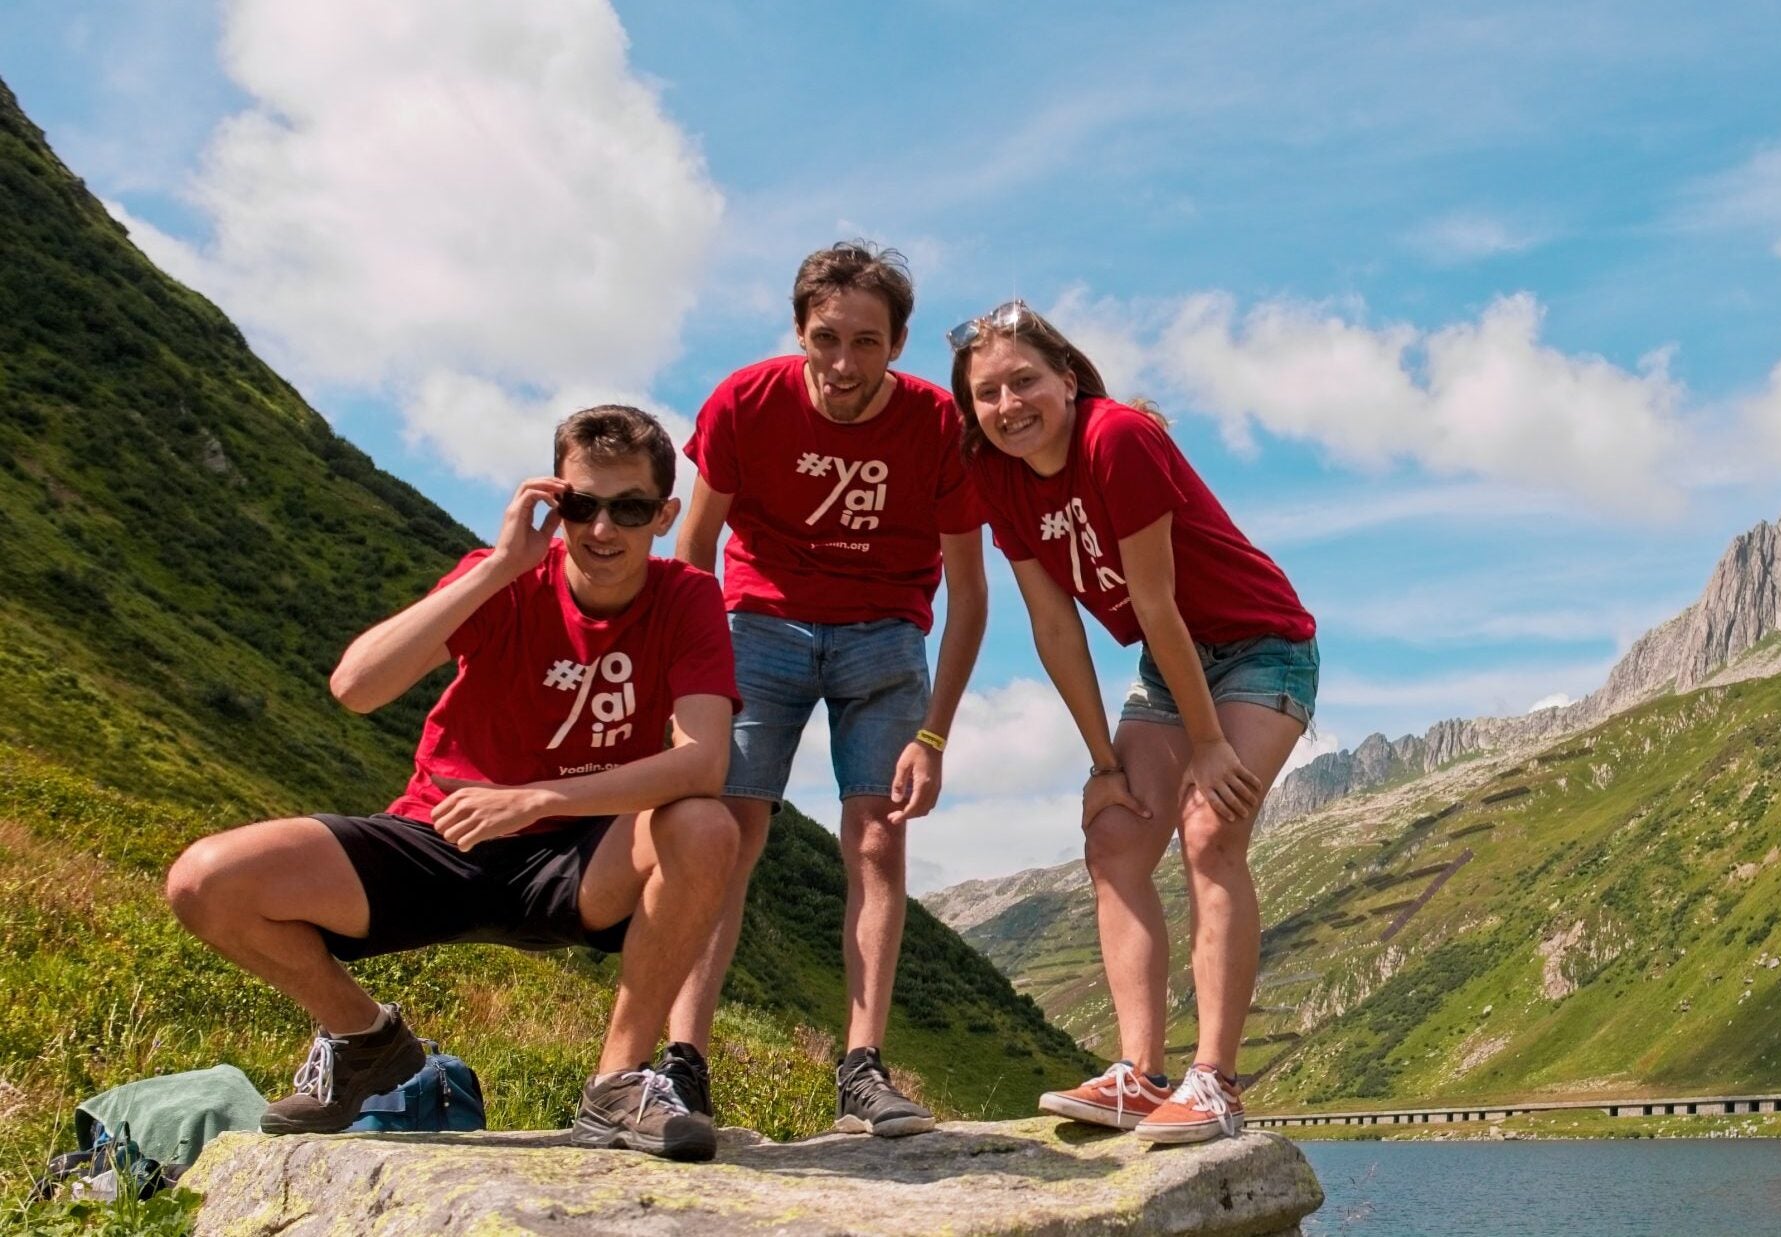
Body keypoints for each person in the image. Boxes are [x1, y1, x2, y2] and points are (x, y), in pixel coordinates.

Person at [163, 405, 739, 1162]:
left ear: (665, 514)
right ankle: (365, 1039)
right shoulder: (500, 578)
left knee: (705, 824)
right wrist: (502, 564)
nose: (603, 529)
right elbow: (357, 685)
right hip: (442, 834)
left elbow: (704, 764)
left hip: (577, 858)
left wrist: (539, 798)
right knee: (205, 879)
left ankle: (617, 1083)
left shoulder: (686, 596)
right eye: (580, 504)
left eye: (629, 508)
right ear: (551, 501)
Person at [949, 301, 1318, 1144]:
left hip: (1262, 646)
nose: (1009, 405)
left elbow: (1153, 599)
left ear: (1067, 378)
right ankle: (1138, 1074)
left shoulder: (1116, 439)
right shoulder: (993, 474)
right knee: (1114, 835)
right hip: (1172, 662)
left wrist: (1213, 744)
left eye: (1025, 381)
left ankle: (1215, 1080)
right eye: (988, 393)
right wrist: (1101, 764)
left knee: (1208, 829)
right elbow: (1053, 624)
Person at [667, 242, 986, 1135]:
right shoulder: (743, 400)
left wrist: (934, 734)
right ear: (800, 331)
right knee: (726, 833)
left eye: (867, 342)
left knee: (878, 837)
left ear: (900, 344)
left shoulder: (935, 424)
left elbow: (970, 591)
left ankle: (862, 1068)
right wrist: (684, 683)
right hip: (757, 624)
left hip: (885, 637)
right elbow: (692, 552)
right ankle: (683, 1061)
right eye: (826, 338)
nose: (844, 364)